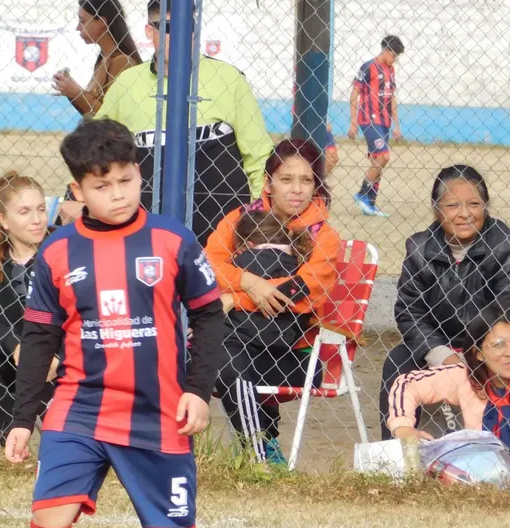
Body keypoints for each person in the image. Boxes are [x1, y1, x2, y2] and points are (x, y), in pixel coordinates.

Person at [0, 118, 238, 528]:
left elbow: (209, 316)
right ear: (77, 191)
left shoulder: (172, 240)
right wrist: (22, 418)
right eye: (102, 186)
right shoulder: (57, 252)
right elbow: (38, 337)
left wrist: (199, 390)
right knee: (50, 511)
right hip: (78, 407)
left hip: (156, 414)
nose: (118, 193)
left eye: (126, 180)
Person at [81, 0, 273, 244]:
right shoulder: (127, 84)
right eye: (169, 27)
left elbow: (258, 154)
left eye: (188, 25)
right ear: (149, 31)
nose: (182, 34)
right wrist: (77, 197)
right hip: (145, 227)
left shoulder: (229, 79)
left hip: (223, 229)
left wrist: (258, 215)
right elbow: (93, 147)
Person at [206, 139, 339, 464]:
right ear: (268, 182)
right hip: (239, 345)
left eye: (306, 180)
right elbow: (208, 266)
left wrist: (232, 299)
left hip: (292, 356)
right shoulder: (240, 219)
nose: (296, 189)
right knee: (222, 358)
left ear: (316, 185)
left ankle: (259, 449)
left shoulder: (324, 236)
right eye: (286, 179)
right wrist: (249, 283)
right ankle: (263, 450)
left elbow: (300, 295)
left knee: (213, 356)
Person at [379, 165, 510, 438]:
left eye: (474, 204)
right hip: (437, 344)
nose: (464, 213)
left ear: (486, 207)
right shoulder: (419, 249)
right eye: (453, 205)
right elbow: (409, 310)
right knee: (397, 360)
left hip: (491, 344)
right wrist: (442, 355)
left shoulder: (504, 245)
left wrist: (478, 352)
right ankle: (398, 448)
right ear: (437, 210)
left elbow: (504, 308)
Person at [0, 171, 54, 441]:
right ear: (3, 220)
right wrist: (16, 346)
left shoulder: (61, 253)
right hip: (17, 357)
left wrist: (57, 357)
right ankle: (11, 436)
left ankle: (56, 434)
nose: (37, 219)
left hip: (59, 357)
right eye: (25, 211)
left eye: (41, 208)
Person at [387, 305, 510, 445]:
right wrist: (403, 427)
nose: (509, 353)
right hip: (482, 461)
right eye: (498, 345)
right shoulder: (466, 377)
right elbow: (407, 383)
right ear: (479, 354)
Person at [52, 0, 141, 117]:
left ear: (102, 22)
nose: (78, 27)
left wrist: (77, 93)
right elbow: (92, 113)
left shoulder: (122, 62)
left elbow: (112, 117)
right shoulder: (103, 60)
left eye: (82, 21)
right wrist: (71, 91)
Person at [349, 34, 404, 218]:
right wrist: (353, 122)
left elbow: (392, 97)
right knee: (383, 156)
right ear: (387, 51)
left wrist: (397, 124)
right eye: (395, 55)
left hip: (385, 122)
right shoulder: (368, 67)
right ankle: (362, 194)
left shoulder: (391, 70)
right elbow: (354, 93)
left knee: (377, 162)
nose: (395, 59)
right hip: (368, 119)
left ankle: (370, 204)